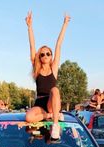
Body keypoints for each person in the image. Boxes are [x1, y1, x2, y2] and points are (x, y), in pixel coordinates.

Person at [25, 11, 71, 139]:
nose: (45, 55)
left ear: (51, 56)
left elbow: (59, 44)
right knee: (28, 117)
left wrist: (65, 24)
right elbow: (32, 46)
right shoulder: (37, 70)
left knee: (55, 89)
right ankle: (50, 116)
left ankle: (55, 125)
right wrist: (29, 27)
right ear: (39, 57)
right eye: (42, 54)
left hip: (52, 102)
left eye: (48, 53)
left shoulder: (54, 68)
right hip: (40, 103)